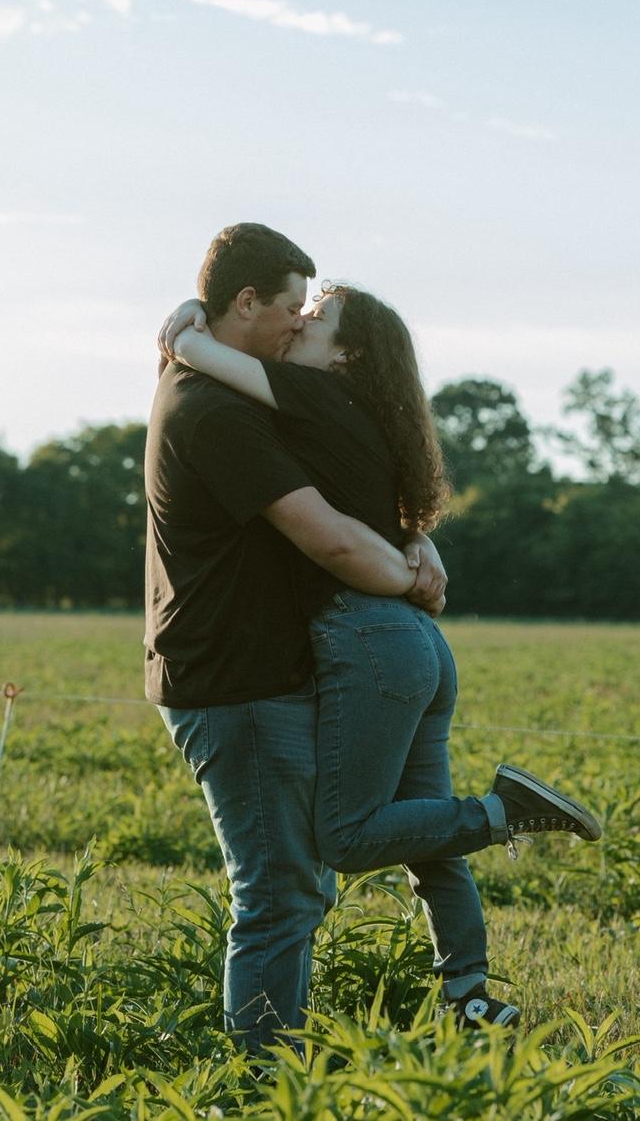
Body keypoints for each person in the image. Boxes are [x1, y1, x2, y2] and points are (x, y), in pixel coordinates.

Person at [160, 279, 602, 1031]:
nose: (298, 324)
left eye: (315, 319)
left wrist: (185, 330)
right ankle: (468, 994)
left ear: (347, 356)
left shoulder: (314, 395)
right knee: (425, 834)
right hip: (416, 643)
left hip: (367, 638)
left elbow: (208, 357)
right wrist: (416, 551)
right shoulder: (370, 418)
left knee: (347, 833)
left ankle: (506, 811)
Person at [144, 223, 447, 1055]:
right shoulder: (213, 410)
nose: (298, 322)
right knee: (280, 894)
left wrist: (414, 536)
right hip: (234, 681)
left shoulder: (234, 390)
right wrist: (412, 577)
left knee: (296, 887)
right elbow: (331, 539)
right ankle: (262, 1085)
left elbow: (354, 489)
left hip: (257, 670)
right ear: (246, 303)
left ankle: (276, 1067)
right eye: (290, 309)